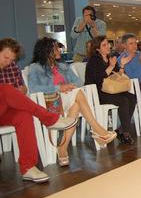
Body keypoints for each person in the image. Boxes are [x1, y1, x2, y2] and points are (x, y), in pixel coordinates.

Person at [28, 37, 115, 167]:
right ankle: (98, 131)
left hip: (67, 98)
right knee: (77, 98)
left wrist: (69, 86)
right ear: (46, 50)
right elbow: (34, 88)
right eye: (55, 47)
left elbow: (79, 82)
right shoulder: (36, 67)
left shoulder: (62, 65)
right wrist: (59, 88)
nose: (59, 49)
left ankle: (62, 148)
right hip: (49, 101)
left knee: (76, 102)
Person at [0, 38, 77, 183]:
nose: (8, 62)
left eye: (12, 59)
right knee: (5, 89)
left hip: (5, 110)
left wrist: (19, 90)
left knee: (23, 115)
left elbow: (23, 89)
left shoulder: (12, 68)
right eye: (5, 57)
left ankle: (28, 167)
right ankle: (50, 119)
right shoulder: (36, 67)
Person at [85, 36, 137, 145]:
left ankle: (121, 129)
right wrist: (111, 66)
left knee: (132, 97)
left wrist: (121, 65)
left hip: (111, 89)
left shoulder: (110, 57)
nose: (108, 46)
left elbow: (118, 76)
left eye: (107, 44)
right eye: (104, 45)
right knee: (123, 101)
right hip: (97, 92)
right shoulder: (94, 60)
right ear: (97, 48)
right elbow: (98, 80)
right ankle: (126, 133)